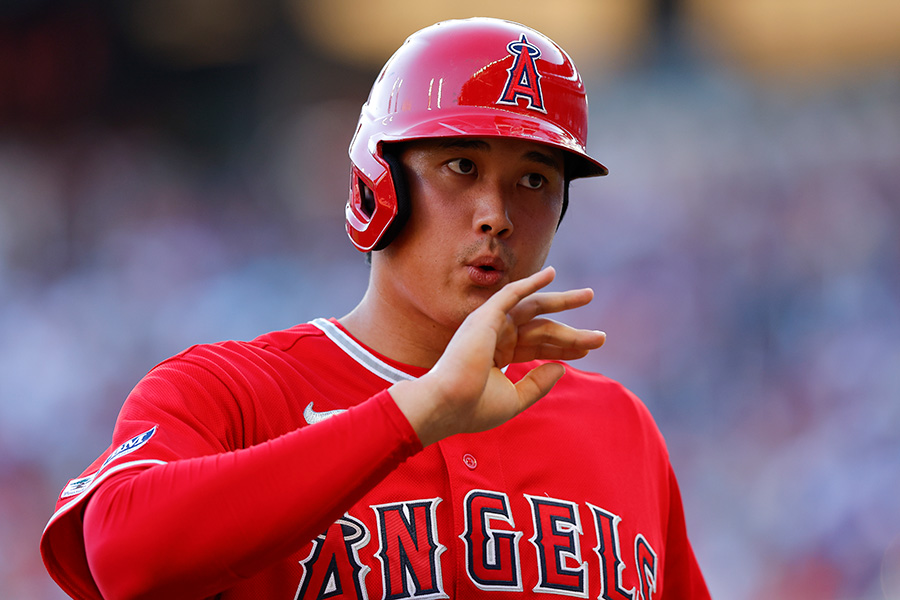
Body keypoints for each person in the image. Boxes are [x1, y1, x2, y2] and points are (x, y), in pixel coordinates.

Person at [40, 17, 710, 599]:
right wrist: (417, 412)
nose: (497, 216)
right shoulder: (232, 392)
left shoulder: (618, 427)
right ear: (379, 184)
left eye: (534, 179)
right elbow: (124, 556)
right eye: (460, 166)